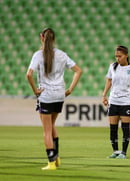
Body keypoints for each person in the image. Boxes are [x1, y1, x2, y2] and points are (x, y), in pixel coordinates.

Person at [26, 28, 82, 170]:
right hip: (59, 95)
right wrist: (69, 90)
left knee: (46, 130)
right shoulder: (62, 54)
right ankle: (56, 159)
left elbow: (29, 75)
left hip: (46, 95)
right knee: (51, 126)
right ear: (54, 39)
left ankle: (51, 162)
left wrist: (35, 91)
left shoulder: (38, 55)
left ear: (42, 38)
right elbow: (78, 70)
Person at [102, 45, 130, 159]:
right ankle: (115, 151)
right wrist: (104, 95)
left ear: (126, 55)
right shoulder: (112, 67)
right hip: (113, 101)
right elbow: (109, 81)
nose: (117, 59)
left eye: (120, 56)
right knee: (113, 128)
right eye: (116, 56)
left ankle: (123, 153)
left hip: (125, 102)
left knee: (125, 128)